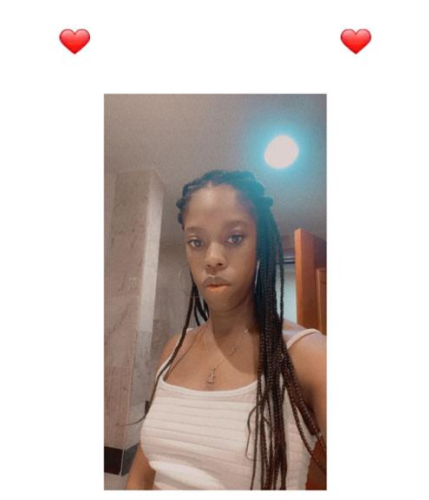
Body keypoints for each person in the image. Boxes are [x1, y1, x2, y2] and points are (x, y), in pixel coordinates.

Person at [126, 170, 326, 490]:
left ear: (261, 245)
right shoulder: (175, 349)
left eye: (234, 238)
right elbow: (140, 477)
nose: (213, 259)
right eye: (197, 242)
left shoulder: (310, 356)